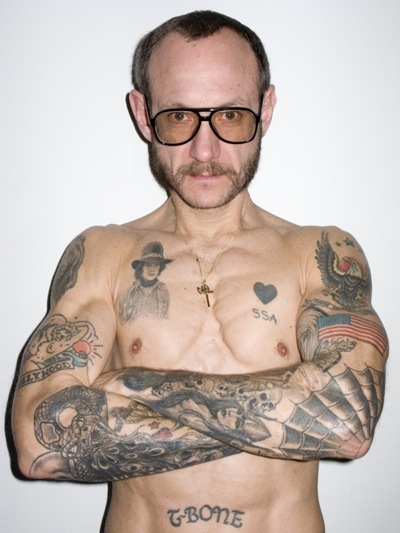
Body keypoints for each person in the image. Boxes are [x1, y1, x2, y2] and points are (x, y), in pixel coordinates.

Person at [12, 10, 388, 533]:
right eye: (179, 117)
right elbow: (37, 441)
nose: (204, 150)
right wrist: (287, 413)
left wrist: (130, 384)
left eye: (231, 116)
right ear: (143, 114)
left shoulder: (319, 252)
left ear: (266, 108)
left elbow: (347, 421)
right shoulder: (103, 253)